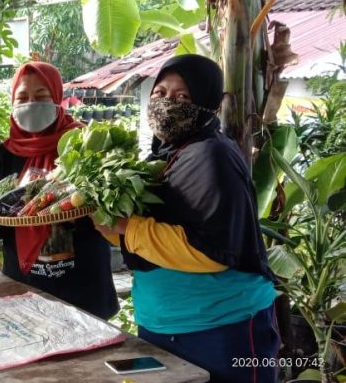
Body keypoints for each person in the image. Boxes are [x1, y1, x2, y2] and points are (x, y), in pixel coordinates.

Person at [94, 54, 279, 382]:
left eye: (182, 97)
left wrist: (124, 227)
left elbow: (209, 250)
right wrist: (105, 221)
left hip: (223, 329)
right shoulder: (165, 156)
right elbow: (153, 235)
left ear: (207, 103)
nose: (167, 103)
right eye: (160, 94)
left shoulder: (211, 156)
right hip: (163, 325)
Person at [0, 61, 119, 320]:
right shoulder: (2, 157)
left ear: (57, 98)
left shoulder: (83, 146)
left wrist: (80, 213)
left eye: (41, 96)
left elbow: (110, 209)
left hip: (82, 288)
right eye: (22, 97)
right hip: (24, 287)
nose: (31, 104)